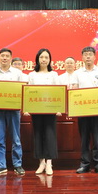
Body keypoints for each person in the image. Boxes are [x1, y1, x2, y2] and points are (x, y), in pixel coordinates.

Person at [0, 48, 26, 176]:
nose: (4, 58)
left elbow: (23, 90)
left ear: (11, 58)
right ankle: (1, 165)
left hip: (14, 110)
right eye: (2, 56)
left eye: (7, 56)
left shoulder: (17, 73)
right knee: (0, 138)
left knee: (16, 139)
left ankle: (17, 165)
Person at [26, 48, 60, 176]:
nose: (44, 60)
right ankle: (41, 163)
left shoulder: (54, 74)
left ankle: (49, 163)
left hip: (50, 109)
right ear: (37, 59)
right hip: (36, 109)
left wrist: (58, 108)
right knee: (38, 134)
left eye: (46, 57)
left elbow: (58, 91)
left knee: (50, 134)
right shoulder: (32, 75)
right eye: (41, 57)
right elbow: (28, 92)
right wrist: (27, 108)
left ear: (50, 60)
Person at [74, 46, 98, 174]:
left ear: (95, 57)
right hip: (82, 110)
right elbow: (74, 90)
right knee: (84, 138)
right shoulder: (77, 73)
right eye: (85, 54)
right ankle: (85, 164)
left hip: (97, 110)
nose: (88, 56)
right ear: (82, 57)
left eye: (90, 54)